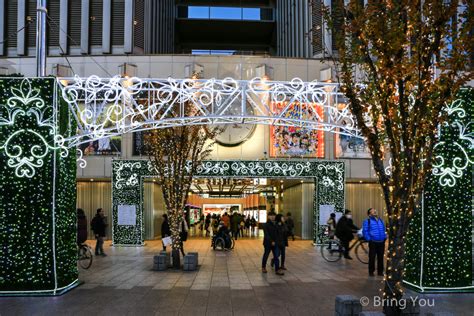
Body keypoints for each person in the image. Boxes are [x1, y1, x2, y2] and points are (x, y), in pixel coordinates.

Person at [363, 208, 387, 276]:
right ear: (369, 213)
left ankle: (380, 272)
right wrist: (369, 239)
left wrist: (384, 237)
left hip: (381, 242)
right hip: (373, 242)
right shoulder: (367, 221)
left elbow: (383, 229)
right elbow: (365, 231)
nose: (375, 211)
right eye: (373, 211)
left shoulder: (381, 220)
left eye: (375, 210)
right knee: (372, 257)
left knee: (380, 257)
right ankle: (371, 272)